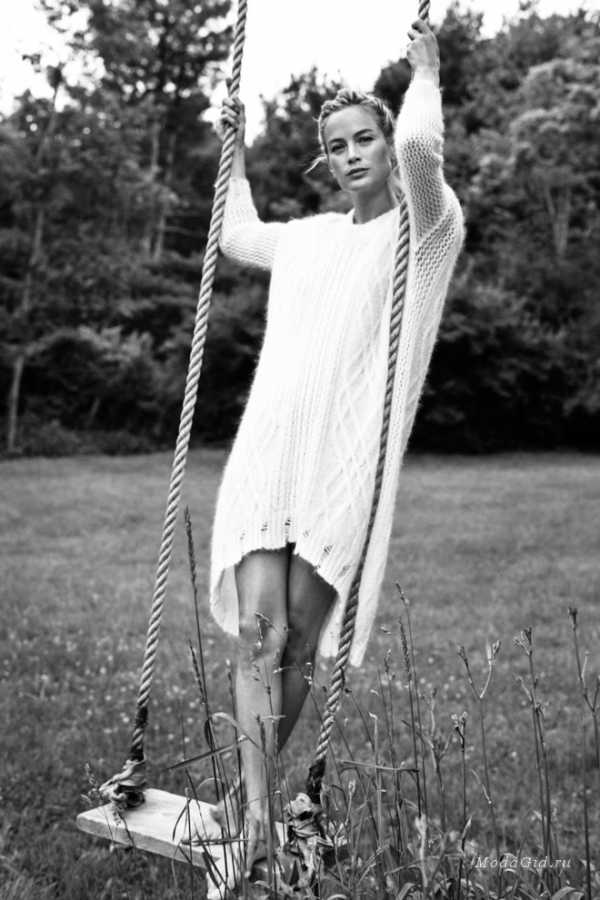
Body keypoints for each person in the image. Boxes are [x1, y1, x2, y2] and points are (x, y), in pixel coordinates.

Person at [201, 17, 463, 885]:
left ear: (387, 145)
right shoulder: (310, 239)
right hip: (271, 454)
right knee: (258, 635)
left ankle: (246, 808)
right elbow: (237, 234)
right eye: (336, 145)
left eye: (364, 139)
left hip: (345, 475)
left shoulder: (427, 238)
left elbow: (423, 154)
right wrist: (236, 148)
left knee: (299, 647)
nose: (351, 155)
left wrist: (425, 75)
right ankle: (256, 819)